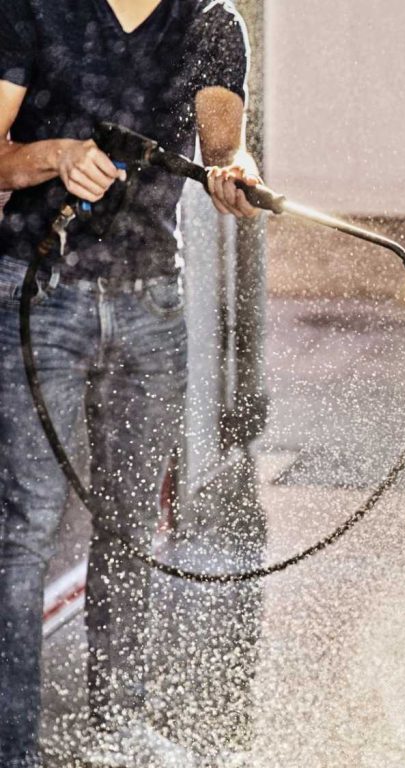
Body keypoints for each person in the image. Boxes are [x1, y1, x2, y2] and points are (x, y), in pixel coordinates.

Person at [0, 0, 260, 765]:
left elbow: (223, 145)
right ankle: (11, 746)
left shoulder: (211, 21)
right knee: (23, 532)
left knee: (130, 528)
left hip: (153, 303)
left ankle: (119, 728)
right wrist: (52, 157)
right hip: (37, 295)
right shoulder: (31, 9)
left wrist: (235, 174)